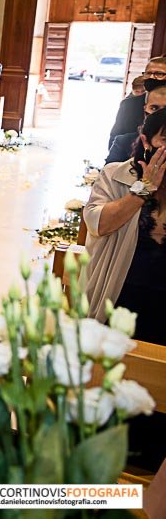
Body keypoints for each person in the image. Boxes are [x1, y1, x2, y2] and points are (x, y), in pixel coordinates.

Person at [84, 109, 165, 472]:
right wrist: (143, 189)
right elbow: (99, 222)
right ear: (147, 142)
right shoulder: (116, 176)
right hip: (119, 302)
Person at [109, 56, 166, 149]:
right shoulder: (129, 104)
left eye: (159, 74)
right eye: (148, 73)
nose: (152, 77)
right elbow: (115, 136)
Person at [107, 84, 166, 164]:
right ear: (145, 109)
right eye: (154, 108)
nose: (159, 114)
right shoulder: (123, 142)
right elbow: (109, 174)